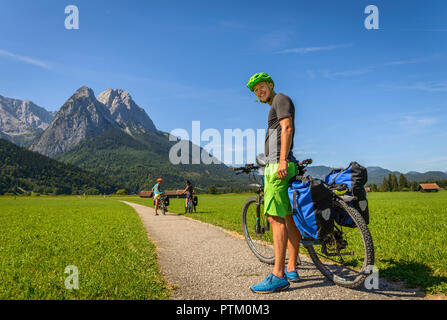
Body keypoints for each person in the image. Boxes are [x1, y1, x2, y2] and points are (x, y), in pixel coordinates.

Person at [246, 72, 301, 294]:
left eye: (261, 86)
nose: (259, 91)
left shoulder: (280, 99)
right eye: (255, 90)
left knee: (275, 217)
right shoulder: (274, 105)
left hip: (279, 167)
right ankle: (291, 268)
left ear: (270, 85)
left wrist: (281, 162)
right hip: (280, 164)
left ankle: (278, 275)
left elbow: (287, 128)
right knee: (287, 217)